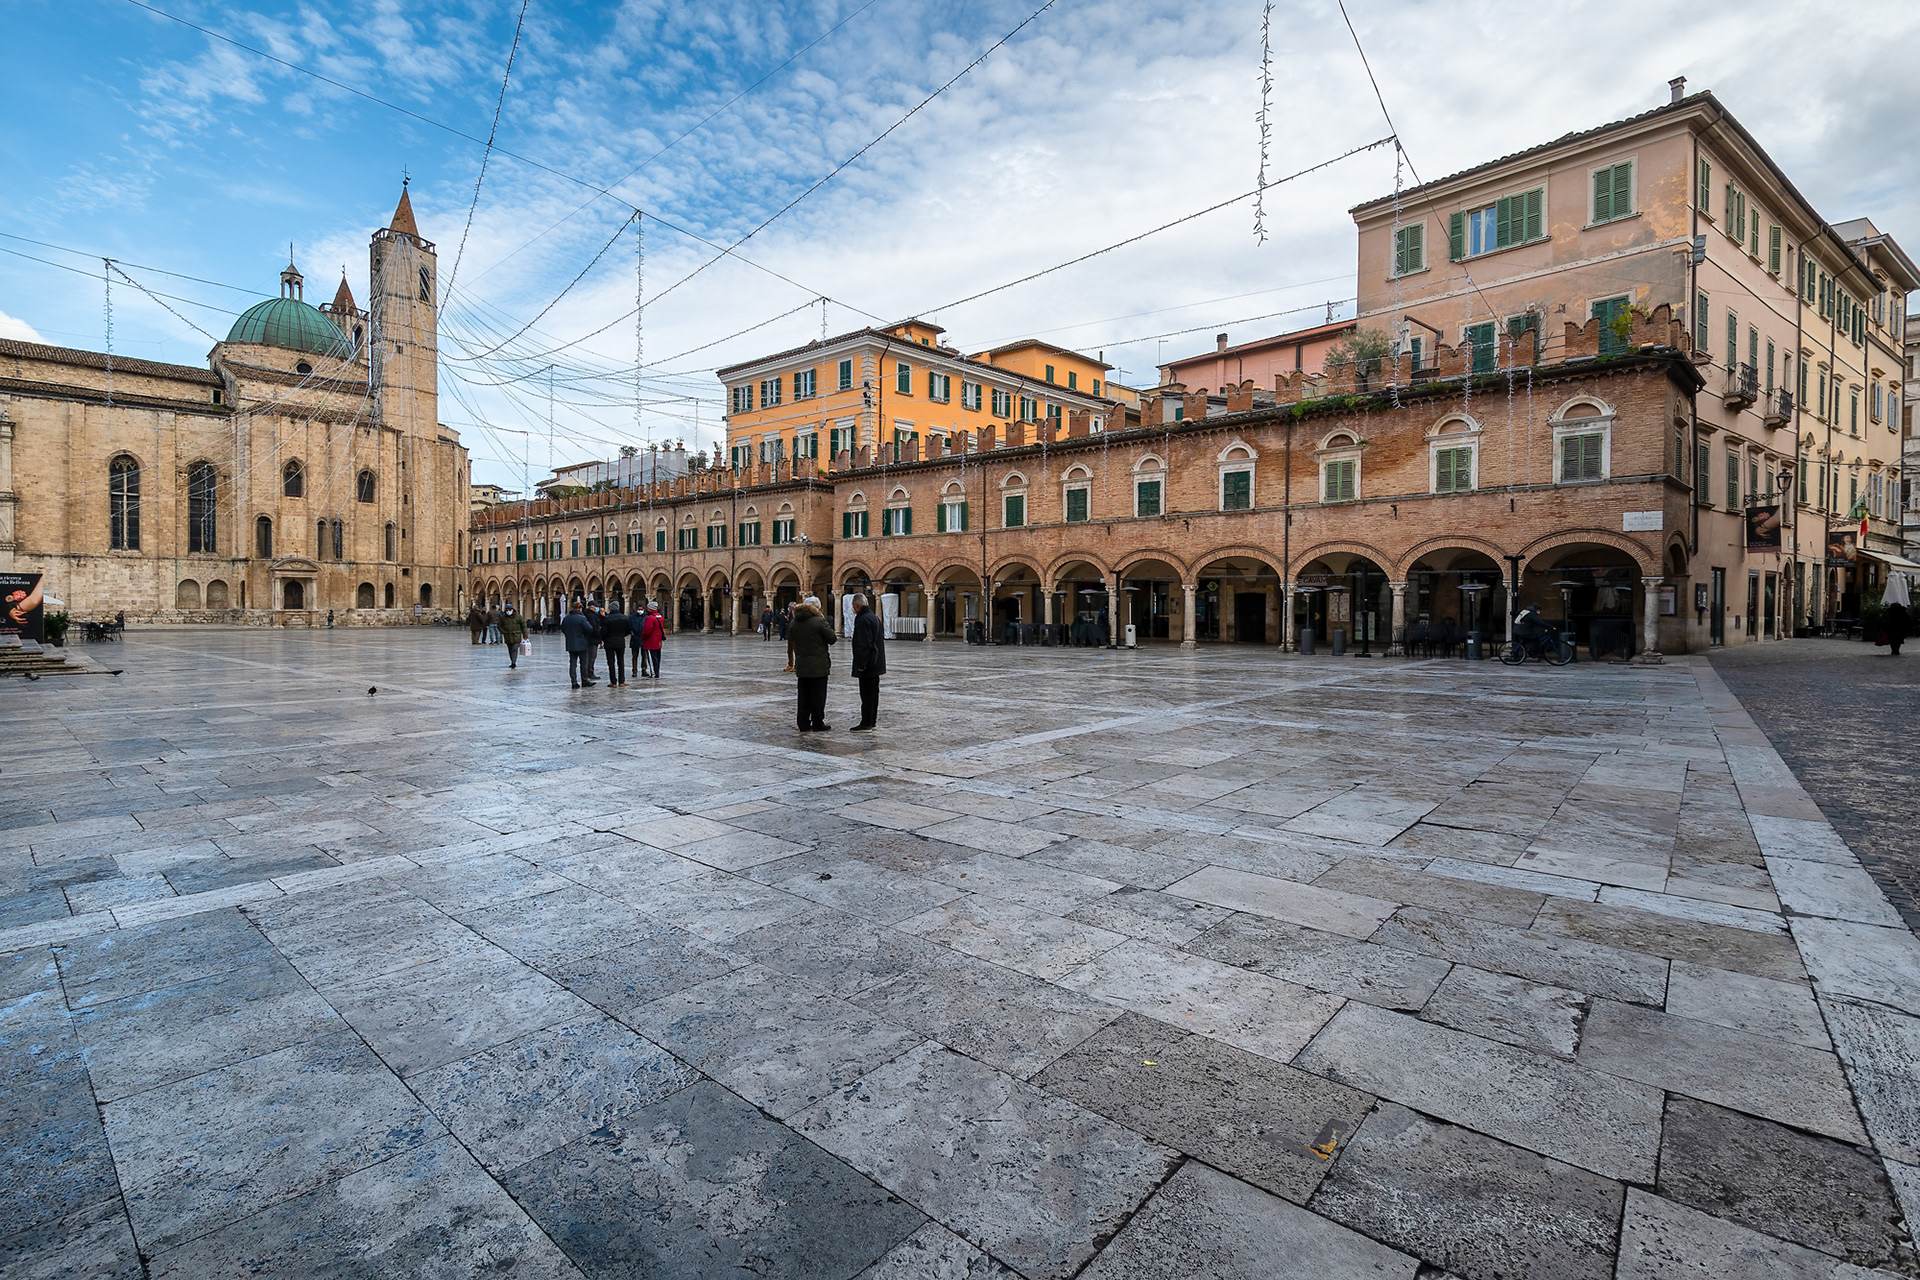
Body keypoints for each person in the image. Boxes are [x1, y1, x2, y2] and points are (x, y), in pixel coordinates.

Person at [789, 599, 836, 731]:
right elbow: (832, 638)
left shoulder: (794, 622)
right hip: (818, 666)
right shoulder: (819, 621)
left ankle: (803, 723)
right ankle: (817, 722)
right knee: (818, 696)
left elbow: (790, 638)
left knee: (803, 695)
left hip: (802, 665)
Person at [850, 592, 886, 731]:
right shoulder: (873, 617)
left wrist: (861, 665)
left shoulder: (863, 619)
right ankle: (872, 721)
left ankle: (866, 722)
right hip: (876, 663)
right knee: (873, 694)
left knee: (866, 694)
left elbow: (864, 644)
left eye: (853, 605)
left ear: (857, 605)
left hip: (869, 664)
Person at [560, 600, 598, 688]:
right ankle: (584, 681)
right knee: (583, 663)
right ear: (579, 608)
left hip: (571, 644)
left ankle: (574, 682)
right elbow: (589, 629)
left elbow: (563, 629)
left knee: (573, 663)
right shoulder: (582, 618)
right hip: (582, 643)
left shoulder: (566, 618)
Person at [600, 602, 631, 685]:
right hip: (620, 641)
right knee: (621, 661)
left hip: (609, 642)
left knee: (611, 662)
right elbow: (628, 630)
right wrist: (621, 635)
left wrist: (604, 639)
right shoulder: (625, 618)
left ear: (610, 609)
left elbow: (603, 631)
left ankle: (613, 681)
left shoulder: (607, 619)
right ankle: (622, 681)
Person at [639, 601, 666, 677]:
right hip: (658, 640)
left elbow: (647, 630)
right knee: (657, 657)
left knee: (652, 657)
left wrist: (643, 637)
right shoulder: (660, 617)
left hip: (651, 640)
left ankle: (653, 672)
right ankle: (657, 672)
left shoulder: (650, 618)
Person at [500, 605, 527, 670]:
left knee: (514, 649)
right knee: (510, 649)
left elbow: (523, 626)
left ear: (512, 610)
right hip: (508, 636)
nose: (508, 611)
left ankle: (513, 662)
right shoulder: (503, 618)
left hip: (516, 636)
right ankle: (512, 660)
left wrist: (525, 635)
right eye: (507, 610)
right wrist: (503, 632)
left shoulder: (518, 617)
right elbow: (499, 626)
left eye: (509, 610)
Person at [628, 600, 646, 675]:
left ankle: (644, 670)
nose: (640, 611)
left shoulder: (646, 617)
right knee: (634, 656)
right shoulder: (632, 617)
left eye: (641, 609)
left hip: (644, 638)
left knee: (644, 656)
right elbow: (628, 626)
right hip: (635, 638)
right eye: (639, 609)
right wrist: (631, 632)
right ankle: (634, 671)